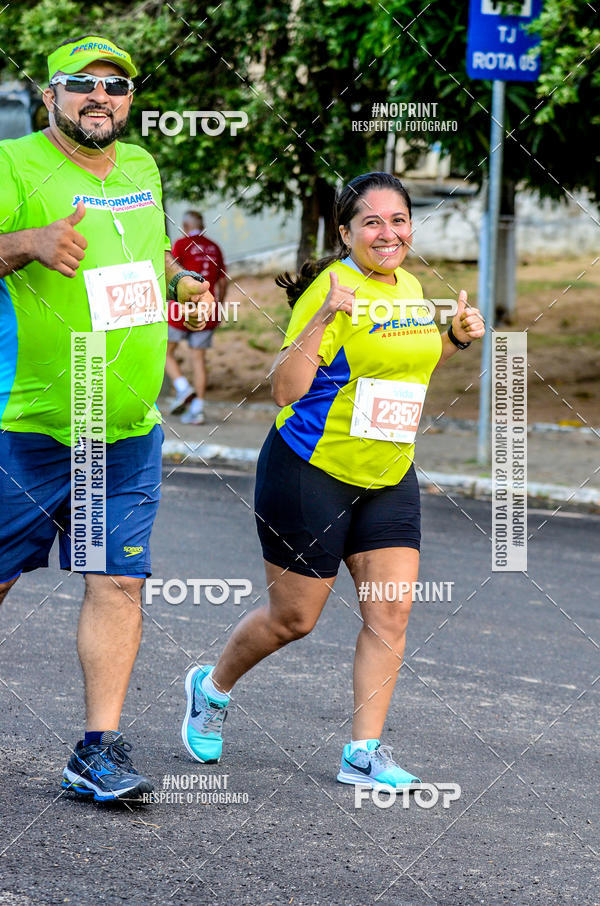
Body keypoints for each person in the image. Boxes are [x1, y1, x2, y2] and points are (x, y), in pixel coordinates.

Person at [181, 172, 485, 789]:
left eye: (397, 220)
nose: (388, 233)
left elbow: (399, 367)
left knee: (391, 612)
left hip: (389, 474)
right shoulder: (332, 286)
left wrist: (452, 338)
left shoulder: (409, 286)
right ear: (346, 232)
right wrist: (319, 315)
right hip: (309, 472)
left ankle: (363, 753)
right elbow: (286, 392)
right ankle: (210, 689)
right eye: (371, 222)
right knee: (294, 620)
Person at [0, 34, 213, 802]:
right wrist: (25, 242)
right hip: (27, 428)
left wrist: (180, 279)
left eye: (115, 85)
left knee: (118, 584)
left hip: (123, 430)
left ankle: (96, 749)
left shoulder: (141, 168)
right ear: (50, 95)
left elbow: (139, 261)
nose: (101, 96)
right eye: (81, 83)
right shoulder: (13, 163)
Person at [165, 211, 227, 424]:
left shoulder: (181, 245)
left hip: (180, 309)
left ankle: (183, 389)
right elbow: (223, 281)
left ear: (184, 224)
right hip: (208, 308)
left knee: (166, 352)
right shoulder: (215, 247)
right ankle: (198, 409)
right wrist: (219, 306)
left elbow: (171, 275)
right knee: (198, 359)